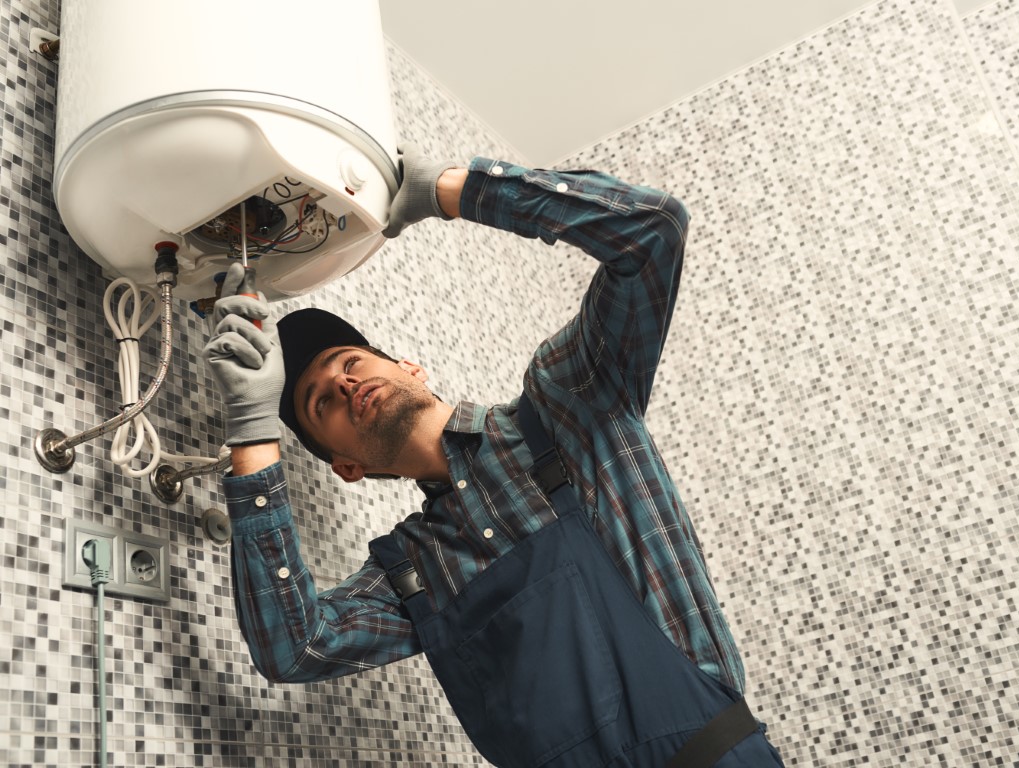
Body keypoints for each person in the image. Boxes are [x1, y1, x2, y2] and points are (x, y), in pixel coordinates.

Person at [204, 144, 784, 768]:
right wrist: (252, 425)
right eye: (322, 405)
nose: (345, 385)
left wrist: (451, 191)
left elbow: (652, 232)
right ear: (348, 467)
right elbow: (294, 646)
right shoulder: (413, 569)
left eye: (351, 362)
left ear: (409, 367)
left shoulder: (570, 406)